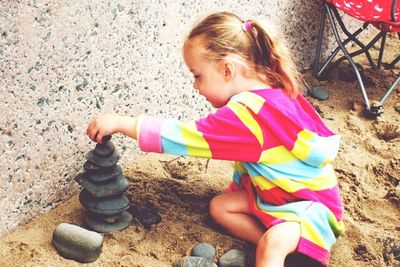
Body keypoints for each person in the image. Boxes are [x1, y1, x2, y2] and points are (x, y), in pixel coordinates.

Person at [86, 11, 345, 267]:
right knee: (221, 208)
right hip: (278, 196)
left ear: (227, 70)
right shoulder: (271, 91)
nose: (195, 86)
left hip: (311, 209)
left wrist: (123, 123)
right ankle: (285, 249)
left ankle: (286, 248)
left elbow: (187, 137)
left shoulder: (248, 115)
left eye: (197, 75)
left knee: (273, 244)